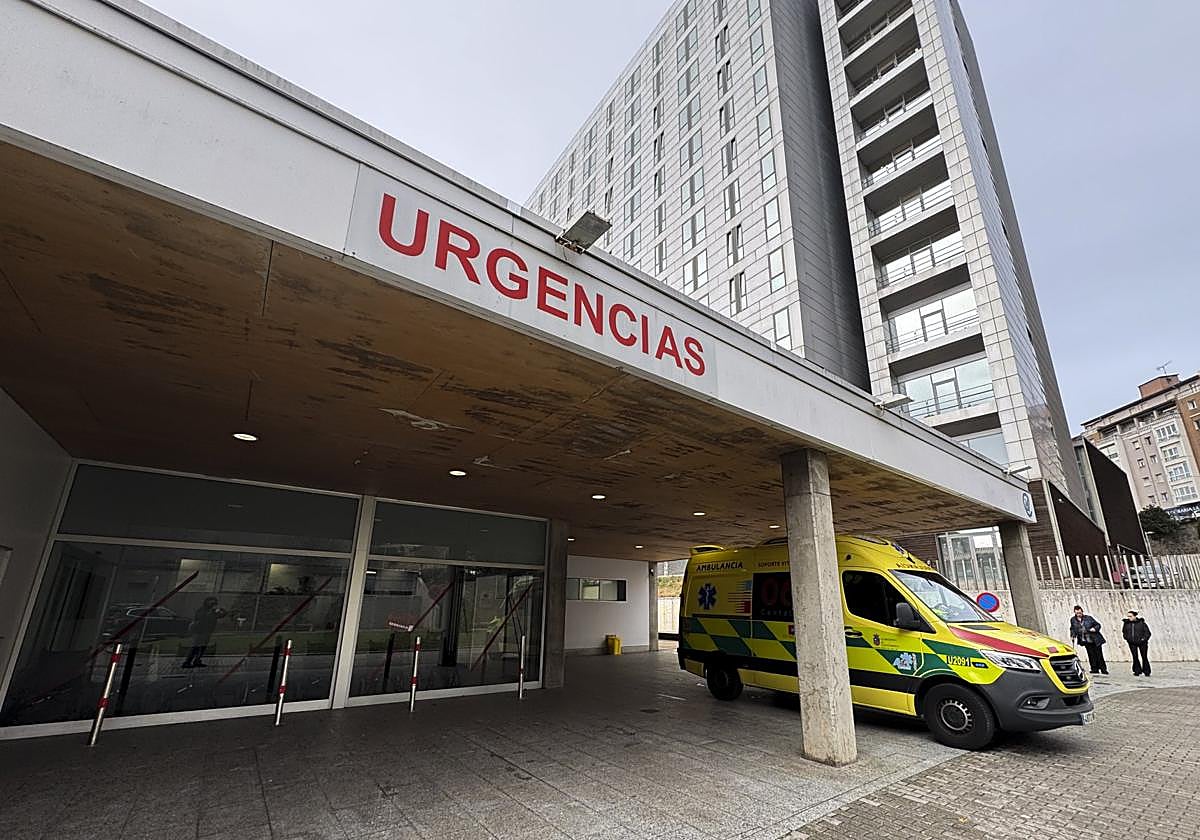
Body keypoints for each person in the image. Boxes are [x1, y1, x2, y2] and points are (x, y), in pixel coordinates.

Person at [182, 597, 225, 668]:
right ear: (207, 602)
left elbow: (222, 615)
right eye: (212, 603)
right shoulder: (202, 610)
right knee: (195, 646)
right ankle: (187, 662)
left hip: (207, 631)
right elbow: (202, 618)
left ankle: (197, 660)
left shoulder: (213, 612)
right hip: (199, 631)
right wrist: (211, 612)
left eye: (214, 603)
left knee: (202, 647)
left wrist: (221, 610)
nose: (213, 605)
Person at [1069, 605, 1107, 675]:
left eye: (1080, 613)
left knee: (1099, 654)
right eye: (1077, 613)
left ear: (1082, 611)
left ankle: (1103, 669)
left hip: (1095, 639)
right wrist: (1072, 635)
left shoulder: (1088, 618)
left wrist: (1094, 629)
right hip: (1085, 640)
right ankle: (1094, 669)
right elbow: (1072, 628)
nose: (1079, 614)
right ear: (1075, 612)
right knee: (1091, 655)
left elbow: (1098, 625)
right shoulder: (1073, 620)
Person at [1122, 610, 1152, 676]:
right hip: (1132, 643)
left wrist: (1143, 639)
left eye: (1130, 616)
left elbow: (1148, 633)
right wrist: (1127, 638)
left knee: (1144, 657)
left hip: (1142, 643)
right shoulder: (1126, 623)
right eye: (1128, 616)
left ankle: (1147, 671)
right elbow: (1124, 632)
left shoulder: (1141, 623)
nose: (1129, 618)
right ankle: (1137, 671)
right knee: (1135, 657)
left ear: (1135, 616)